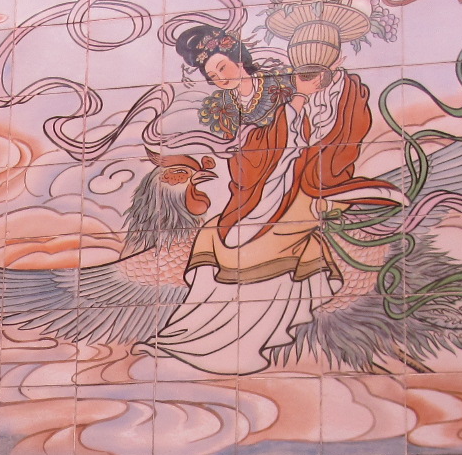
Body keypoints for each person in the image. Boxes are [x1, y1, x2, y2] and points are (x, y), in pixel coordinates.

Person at [145, 20, 396, 375]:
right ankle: (192, 333)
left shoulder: (280, 85)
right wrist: (263, 139)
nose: (219, 78)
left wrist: (301, 99)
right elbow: (245, 155)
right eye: (212, 75)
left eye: (222, 67)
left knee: (244, 245)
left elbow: (310, 126)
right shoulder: (223, 105)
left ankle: (240, 342)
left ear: (239, 59)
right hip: (254, 188)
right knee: (213, 238)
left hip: (295, 181)